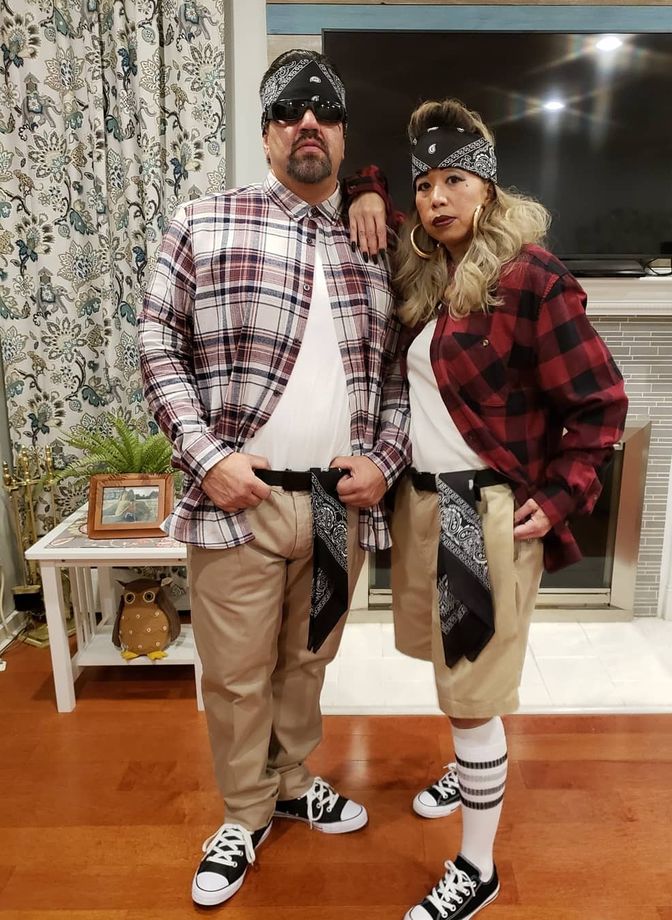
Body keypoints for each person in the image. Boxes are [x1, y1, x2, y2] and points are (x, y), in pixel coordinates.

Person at [138, 49, 410, 908]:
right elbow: (155, 343)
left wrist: (385, 459)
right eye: (289, 112)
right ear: (264, 133)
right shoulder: (203, 221)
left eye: (323, 111)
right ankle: (244, 811)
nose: (307, 124)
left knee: (307, 662)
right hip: (241, 501)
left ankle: (291, 782)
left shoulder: (379, 243)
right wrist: (207, 459)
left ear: (340, 135)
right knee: (235, 672)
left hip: (338, 505)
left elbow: (407, 377)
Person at [380, 99, 628, 920]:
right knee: (453, 673)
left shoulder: (531, 276)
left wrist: (559, 500)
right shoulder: (431, 277)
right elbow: (367, 183)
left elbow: (598, 406)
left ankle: (477, 870)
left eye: (455, 179)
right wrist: (365, 189)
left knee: (473, 692)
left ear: (488, 188)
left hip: (474, 513)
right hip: (423, 506)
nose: (437, 197)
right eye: (424, 185)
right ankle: (466, 763)